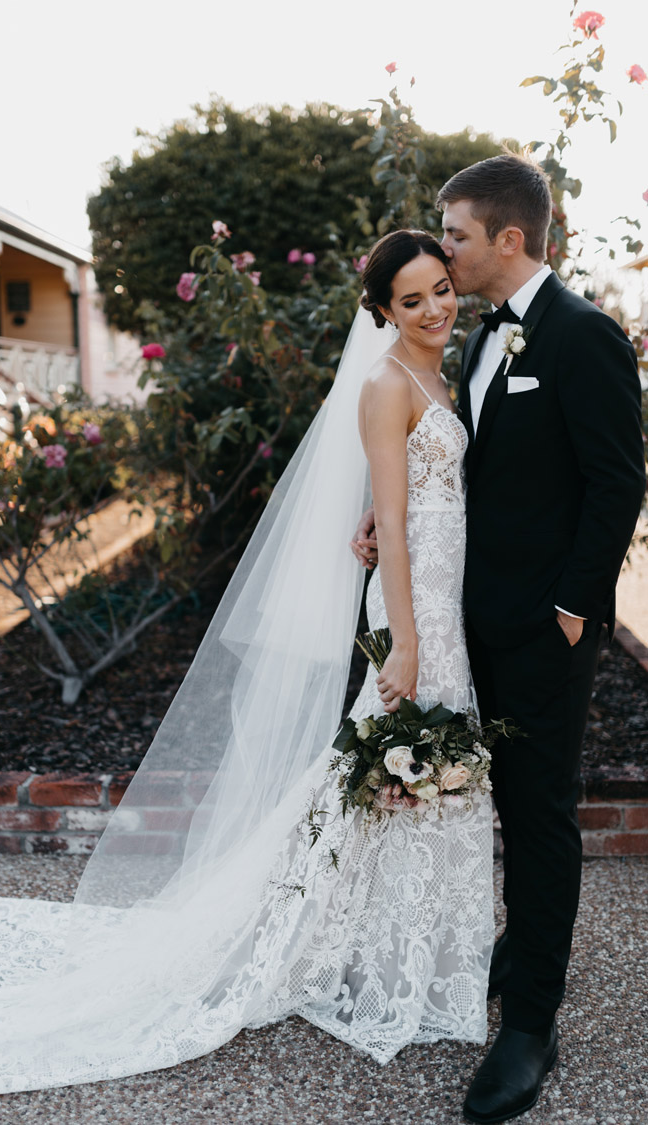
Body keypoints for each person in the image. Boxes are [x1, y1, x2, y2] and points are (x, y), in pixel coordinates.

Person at [0, 231, 494, 1110]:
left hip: (447, 599)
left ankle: (404, 952)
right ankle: (367, 958)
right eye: (412, 300)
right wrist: (404, 637)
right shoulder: (383, 384)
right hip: (415, 610)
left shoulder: (448, 370)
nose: (436, 308)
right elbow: (395, 530)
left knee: (394, 776)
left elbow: (403, 501)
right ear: (379, 312)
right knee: (397, 767)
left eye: (442, 288)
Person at [352, 152, 646, 1124]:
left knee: (541, 816)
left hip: (543, 633)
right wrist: (383, 522)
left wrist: (571, 607)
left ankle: (530, 1024)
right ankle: (519, 952)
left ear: (508, 240)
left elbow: (617, 481)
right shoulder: (482, 344)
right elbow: (470, 472)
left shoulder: (581, 336)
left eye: (459, 236)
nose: (448, 250)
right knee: (505, 807)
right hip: (471, 621)